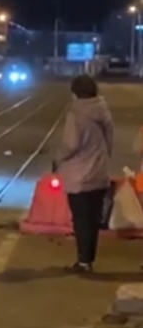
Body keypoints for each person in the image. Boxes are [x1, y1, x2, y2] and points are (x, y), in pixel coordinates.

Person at [55, 74, 113, 273]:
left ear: (75, 93)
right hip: (99, 172)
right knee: (93, 219)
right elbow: (110, 140)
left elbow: (70, 144)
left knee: (81, 220)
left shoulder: (76, 113)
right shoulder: (103, 110)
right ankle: (88, 259)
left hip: (79, 175)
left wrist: (59, 158)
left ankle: (83, 262)